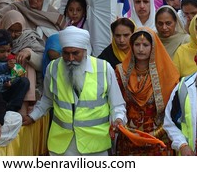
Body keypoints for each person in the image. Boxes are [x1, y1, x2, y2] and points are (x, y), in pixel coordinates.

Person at [24, 27, 126, 156]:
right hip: (62, 146)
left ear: (85, 51)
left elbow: (117, 105)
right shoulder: (53, 68)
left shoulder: (104, 68)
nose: (70, 58)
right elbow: (47, 100)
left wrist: (118, 118)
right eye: (66, 53)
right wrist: (33, 116)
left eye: (75, 53)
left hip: (95, 146)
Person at [114, 28, 180, 155]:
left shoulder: (167, 74)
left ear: (153, 46)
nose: (141, 49)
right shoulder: (120, 72)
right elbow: (116, 103)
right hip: (129, 137)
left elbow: (173, 109)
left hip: (158, 136)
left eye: (145, 45)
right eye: (137, 45)